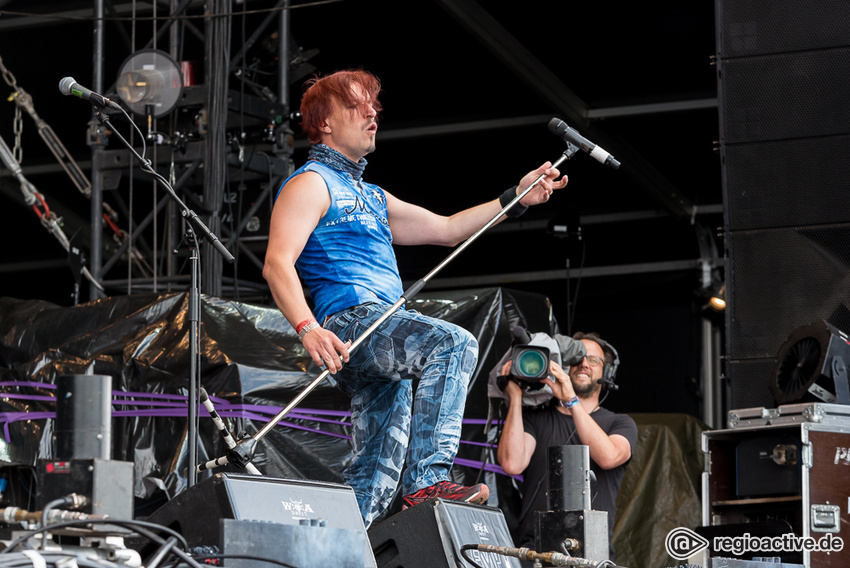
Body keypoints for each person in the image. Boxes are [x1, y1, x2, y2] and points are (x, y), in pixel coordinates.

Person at [262, 69, 568, 527]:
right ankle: (428, 479)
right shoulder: (310, 183)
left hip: (381, 335)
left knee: (374, 476)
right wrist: (309, 328)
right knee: (453, 343)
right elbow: (276, 263)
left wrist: (517, 197)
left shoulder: (372, 197)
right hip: (353, 324)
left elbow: (447, 229)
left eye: (374, 106)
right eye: (357, 106)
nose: (372, 113)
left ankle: (334, 551)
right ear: (324, 122)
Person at [496, 332, 637, 559]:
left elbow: (609, 456)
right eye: (576, 358)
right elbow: (512, 463)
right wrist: (514, 398)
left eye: (593, 360)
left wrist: (571, 400)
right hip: (534, 552)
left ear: (607, 372)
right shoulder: (536, 418)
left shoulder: (619, 423)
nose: (583, 364)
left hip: (591, 553)